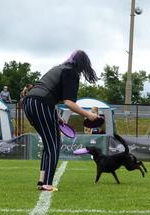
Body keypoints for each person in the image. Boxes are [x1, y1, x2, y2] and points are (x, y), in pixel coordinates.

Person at [22, 50, 99, 191]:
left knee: (48, 143)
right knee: (54, 144)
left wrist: (56, 116)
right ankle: (48, 184)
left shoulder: (57, 68)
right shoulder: (70, 73)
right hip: (41, 104)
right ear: (83, 64)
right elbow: (69, 103)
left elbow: (48, 92)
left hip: (28, 104)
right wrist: (88, 115)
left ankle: (41, 181)